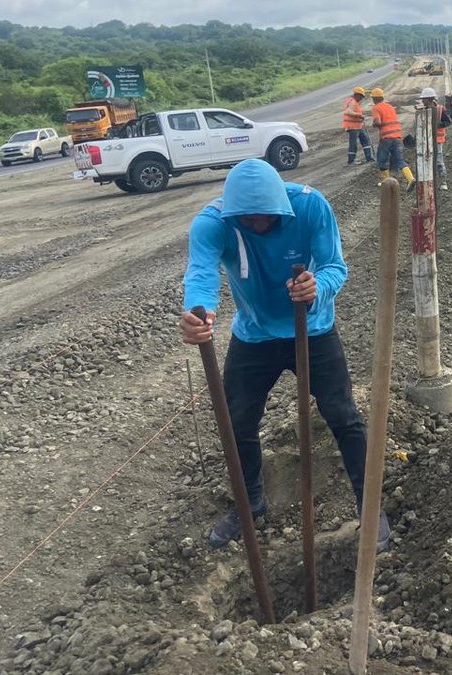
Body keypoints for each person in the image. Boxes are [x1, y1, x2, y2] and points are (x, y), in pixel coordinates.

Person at [178, 158, 388, 549]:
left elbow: (334, 266)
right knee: (236, 421)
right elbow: (202, 273)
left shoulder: (310, 206)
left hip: (313, 329)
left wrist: (317, 287)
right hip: (254, 335)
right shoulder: (212, 223)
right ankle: (251, 503)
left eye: (267, 217)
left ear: (281, 206)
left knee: (343, 416)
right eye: (249, 219)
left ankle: (371, 508)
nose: (258, 224)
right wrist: (200, 311)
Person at [370, 88, 416, 190]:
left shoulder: (376, 108)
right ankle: (410, 178)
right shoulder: (390, 107)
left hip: (386, 138)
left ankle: (386, 184)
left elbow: (377, 122)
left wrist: (374, 124)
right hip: (397, 137)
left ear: (374, 99)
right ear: (382, 97)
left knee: (382, 161)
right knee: (399, 160)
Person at [419, 87, 452, 190]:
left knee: (439, 161)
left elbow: (448, 122)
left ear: (429, 99)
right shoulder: (423, 110)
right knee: (427, 160)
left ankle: (443, 182)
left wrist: (439, 124)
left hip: (438, 140)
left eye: (423, 99)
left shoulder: (439, 109)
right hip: (427, 140)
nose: (422, 101)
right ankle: (429, 182)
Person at [342, 86, 373, 165]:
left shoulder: (354, 102)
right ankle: (351, 161)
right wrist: (359, 115)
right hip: (353, 127)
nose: (362, 98)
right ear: (357, 95)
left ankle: (369, 157)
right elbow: (348, 111)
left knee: (365, 140)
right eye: (361, 96)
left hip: (358, 126)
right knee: (353, 144)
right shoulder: (352, 102)